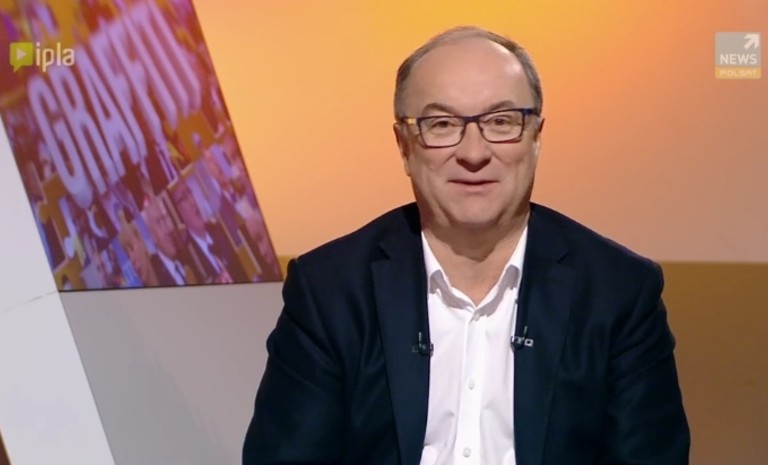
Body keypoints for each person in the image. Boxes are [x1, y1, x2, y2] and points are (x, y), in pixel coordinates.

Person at [242, 26, 690, 465]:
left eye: (501, 122)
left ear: (536, 137)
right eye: (442, 124)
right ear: (404, 146)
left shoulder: (618, 292)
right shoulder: (331, 290)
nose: (473, 153)